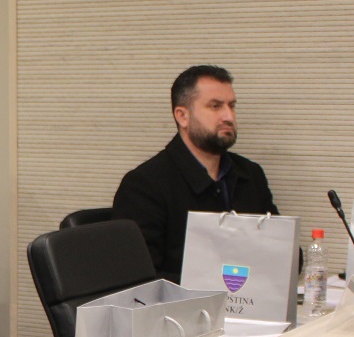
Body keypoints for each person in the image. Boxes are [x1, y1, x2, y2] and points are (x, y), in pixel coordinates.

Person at [110, 65, 278, 282]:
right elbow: (138, 277)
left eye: (232, 106)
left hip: (248, 297)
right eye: (215, 106)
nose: (229, 116)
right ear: (183, 116)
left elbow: (285, 251)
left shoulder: (250, 175)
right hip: (182, 302)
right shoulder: (144, 185)